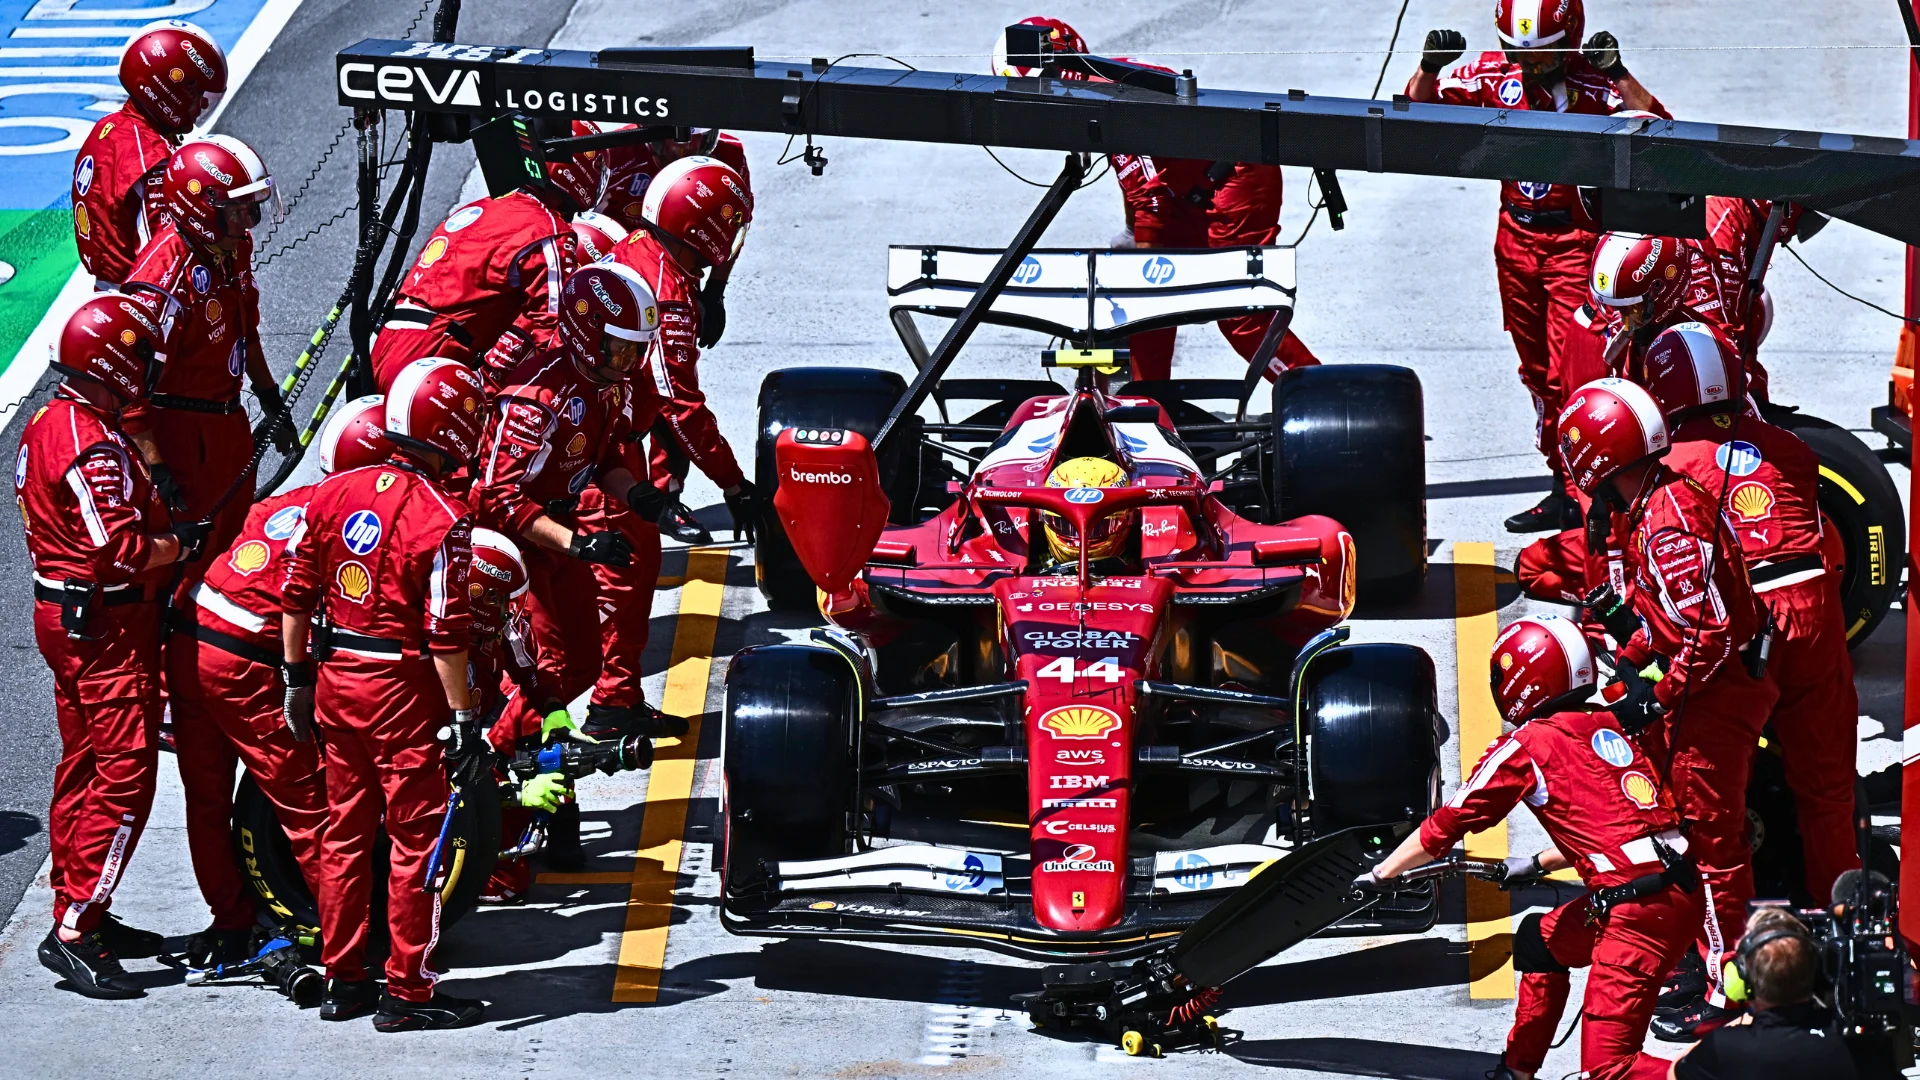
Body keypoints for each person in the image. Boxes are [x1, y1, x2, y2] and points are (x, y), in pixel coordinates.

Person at [1625, 324, 1860, 1032]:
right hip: (1815, 612)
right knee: (1829, 794)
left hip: (1742, 629)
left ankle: (1727, 974)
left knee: (1709, 816)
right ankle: (1844, 952)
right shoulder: (1793, 448)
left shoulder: (1670, 467)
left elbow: (1672, 594)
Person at [1368, 615, 1701, 1080]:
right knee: (1538, 942)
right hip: (1679, 890)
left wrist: (1382, 874)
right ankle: (1518, 1071)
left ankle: (1721, 1070)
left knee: (1610, 1069)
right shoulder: (1612, 722)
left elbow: (1449, 822)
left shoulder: (1526, 745)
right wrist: (1534, 863)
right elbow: (1621, 830)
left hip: (1634, 913)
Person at [1556, 378, 1776, 1037]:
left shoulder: (1666, 523)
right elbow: (1674, 622)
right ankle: (1699, 958)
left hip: (1717, 698)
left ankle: (1730, 989)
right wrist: (1631, 653)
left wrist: (1657, 698)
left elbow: (1712, 635)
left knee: (1711, 845)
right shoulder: (1659, 501)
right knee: (1681, 829)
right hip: (1708, 688)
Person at [279, 357, 487, 1030]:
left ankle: (343, 980)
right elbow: (446, 631)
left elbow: (295, 595)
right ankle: (408, 992)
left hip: (335, 681)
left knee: (343, 833)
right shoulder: (442, 516)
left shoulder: (331, 492)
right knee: (418, 842)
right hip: (400, 691)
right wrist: (464, 719)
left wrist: (296, 679)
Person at [1404, 1, 1667, 533]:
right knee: (1537, 373)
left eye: (1544, 57)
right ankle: (1562, 485)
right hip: (1515, 238)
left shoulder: (1596, 85)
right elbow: (1416, 113)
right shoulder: (1493, 74)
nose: (1531, 66)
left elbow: (1662, 130)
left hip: (1574, 242)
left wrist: (1619, 72)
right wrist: (1429, 66)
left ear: (1569, 40)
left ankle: (1590, 495)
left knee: (1575, 373)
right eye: (1520, 54)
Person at [21, 295, 212, 997]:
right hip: (106, 627)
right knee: (126, 774)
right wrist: (180, 545)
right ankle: (76, 928)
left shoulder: (52, 420)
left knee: (84, 764)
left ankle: (79, 906)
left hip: (71, 618)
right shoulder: (92, 445)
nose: (149, 371)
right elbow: (121, 552)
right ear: (113, 365)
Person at [166, 394, 392, 967]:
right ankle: (352, 950)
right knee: (310, 807)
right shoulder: (355, 524)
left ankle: (230, 924)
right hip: (246, 665)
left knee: (207, 800)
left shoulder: (284, 501)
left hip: (189, 639)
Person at [994, 17, 1319, 384]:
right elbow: (1140, 176)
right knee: (1146, 313)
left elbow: (1148, 200)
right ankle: (1148, 401)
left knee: (1240, 313)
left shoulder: (1104, 101)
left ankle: (1326, 396)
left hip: (1237, 178)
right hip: (1194, 186)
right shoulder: (1100, 77)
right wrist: (1133, 235)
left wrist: (1142, 266)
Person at [474, 263, 677, 744]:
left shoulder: (610, 384)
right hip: (514, 546)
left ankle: (518, 753)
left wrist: (635, 493)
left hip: (560, 536)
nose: (632, 359)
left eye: (639, 348)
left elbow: (604, 458)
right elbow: (497, 497)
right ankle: (496, 765)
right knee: (548, 669)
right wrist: (580, 545)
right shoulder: (535, 400)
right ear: (590, 334)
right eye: (622, 346)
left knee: (586, 661)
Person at [122, 135, 288, 581]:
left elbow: (245, 330)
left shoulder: (233, 248)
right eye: (238, 210)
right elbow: (131, 392)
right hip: (183, 436)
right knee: (194, 561)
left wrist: (270, 397)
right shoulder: (162, 284)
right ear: (202, 208)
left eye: (252, 208)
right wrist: (157, 469)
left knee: (237, 549)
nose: (249, 221)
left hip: (228, 422)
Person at [368, 135, 600, 393]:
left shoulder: (486, 206)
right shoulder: (548, 230)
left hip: (385, 345)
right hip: (431, 361)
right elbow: (556, 328)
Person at [608, 155, 759, 543]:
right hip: (603, 452)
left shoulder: (639, 245)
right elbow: (680, 406)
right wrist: (733, 483)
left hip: (599, 431)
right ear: (701, 231)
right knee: (631, 566)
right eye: (731, 230)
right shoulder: (667, 297)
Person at [73, 20, 228, 290]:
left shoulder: (107, 128)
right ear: (171, 90)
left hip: (108, 291)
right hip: (143, 298)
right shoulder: (154, 160)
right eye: (199, 97)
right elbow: (160, 255)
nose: (201, 107)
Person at [1670, 908, 1860, 1080]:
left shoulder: (1724, 1046)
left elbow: (1674, 1073)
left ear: (1743, 980)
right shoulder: (1845, 1042)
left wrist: (1744, 1018)